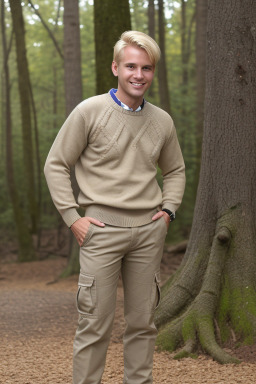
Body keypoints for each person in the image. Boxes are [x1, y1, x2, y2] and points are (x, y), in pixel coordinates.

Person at [44, 30, 185, 384]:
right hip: (100, 232)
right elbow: (56, 164)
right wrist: (72, 218)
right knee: (94, 325)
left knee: (142, 324)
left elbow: (176, 170)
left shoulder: (162, 121)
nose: (139, 75)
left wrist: (168, 211)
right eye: (131, 66)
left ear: (153, 72)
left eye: (147, 68)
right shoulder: (89, 112)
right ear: (116, 68)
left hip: (148, 233)